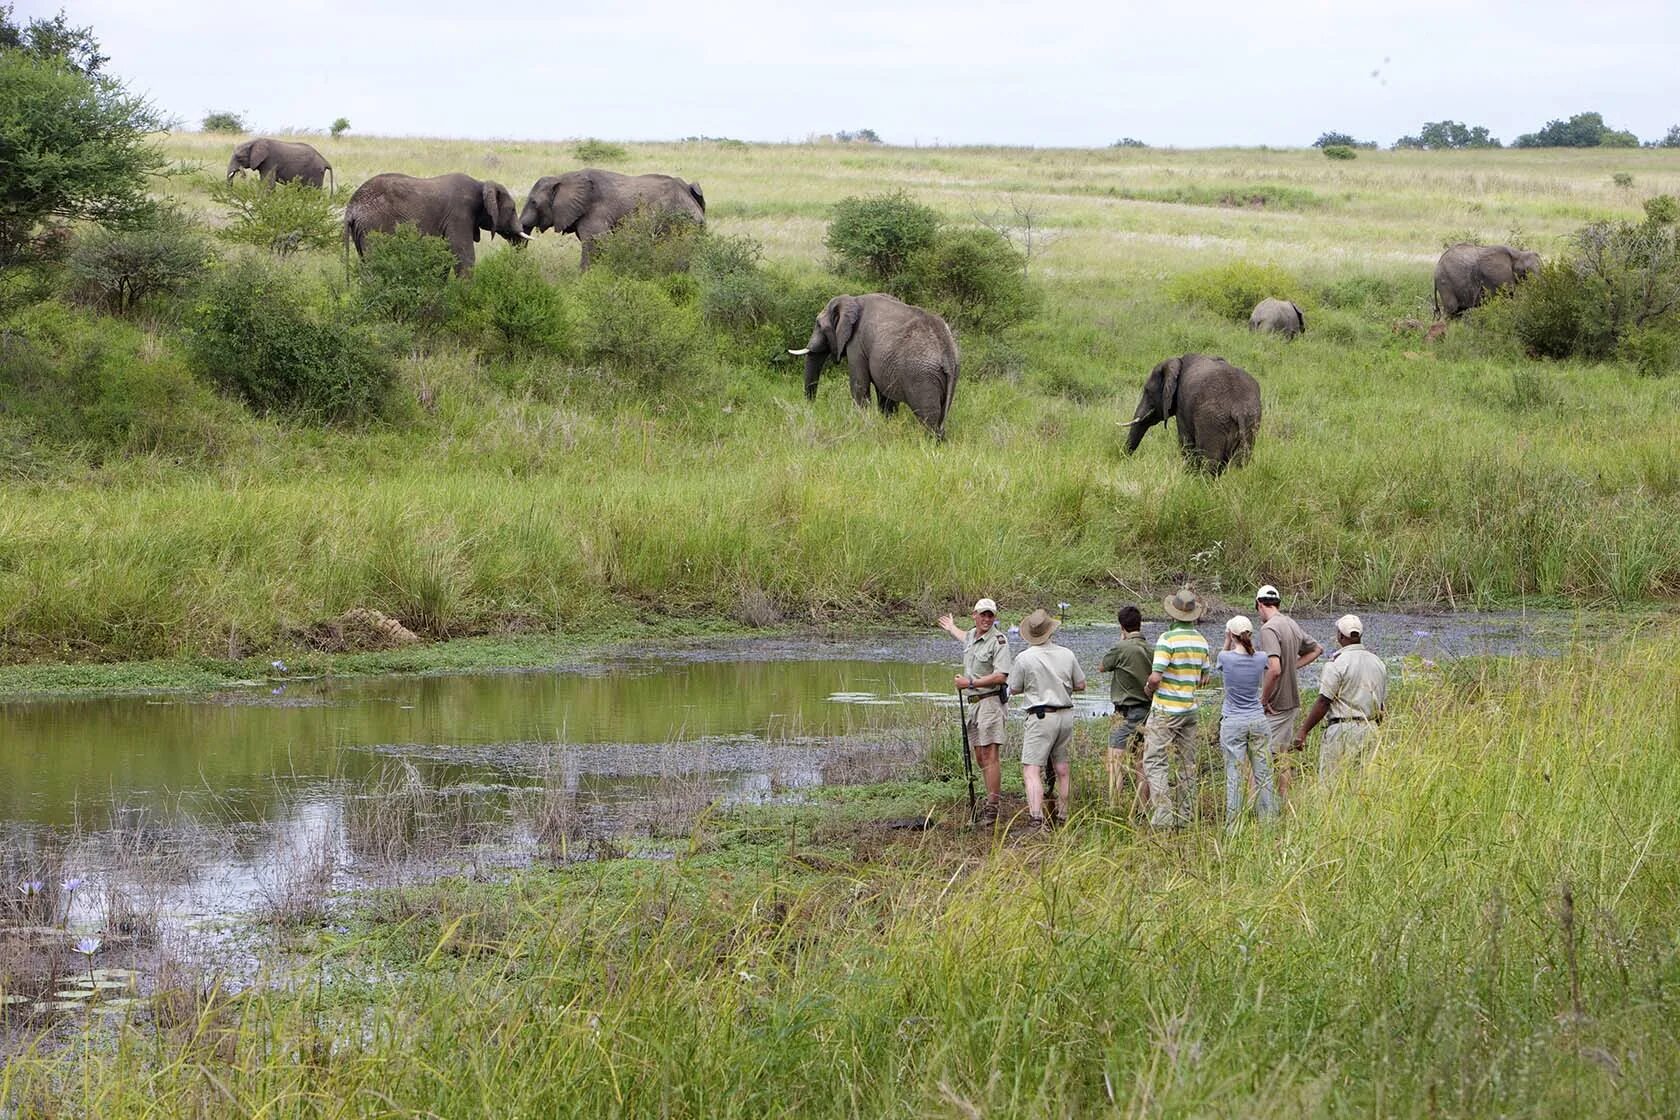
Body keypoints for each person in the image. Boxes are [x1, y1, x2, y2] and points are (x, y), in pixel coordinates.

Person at [1006, 608, 1086, 830]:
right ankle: (1062, 815)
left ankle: (1036, 819)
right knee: (1062, 769)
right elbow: (1080, 684)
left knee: (1031, 770)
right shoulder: (1067, 654)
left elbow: (1013, 688)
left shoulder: (1024, 658)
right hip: (1065, 715)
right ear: (1050, 630)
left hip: (1041, 717)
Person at [938, 597, 1015, 825]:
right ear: (974, 615)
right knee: (980, 756)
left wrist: (969, 683)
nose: (986, 619)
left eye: (990, 615)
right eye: (983, 614)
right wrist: (951, 627)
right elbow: (964, 637)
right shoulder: (972, 635)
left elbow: (1002, 676)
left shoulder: (999, 641)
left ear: (994, 617)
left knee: (990, 754)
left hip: (990, 702)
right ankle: (990, 799)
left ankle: (992, 808)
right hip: (974, 705)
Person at [1141, 587, 1211, 829]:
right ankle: (1185, 817)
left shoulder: (1166, 639)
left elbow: (1155, 677)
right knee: (1187, 765)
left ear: (1173, 614)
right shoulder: (1202, 642)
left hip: (1165, 710)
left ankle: (1163, 816)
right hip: (1189, 710)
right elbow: (1205, 678)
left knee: (1154, 760)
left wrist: (1149, 690)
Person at [1294, 614, 1388, 778]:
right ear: (1360, 635)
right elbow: (1381, 706)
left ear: (1340, 636)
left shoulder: (1337, 663)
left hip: (1342, 730)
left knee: (1333, 783)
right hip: (1370, 728)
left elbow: (1324, 701)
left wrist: (1303, 731)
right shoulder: (1378, 663)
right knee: (1367, 783)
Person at [1255, 584, 1322, 798]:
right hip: (1292, 701)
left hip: (1276, 703)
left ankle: (1262, 804)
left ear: (1259, 604)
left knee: (1261, 755)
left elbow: (1274, 669)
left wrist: (1263, 700)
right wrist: (1293, 665)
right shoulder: (1290, 623)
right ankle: (1285, 800)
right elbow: (1317, 649)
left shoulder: (1269, 629)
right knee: (1283, 755)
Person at [1213, 615, 1277, 822]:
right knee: (1264, 774)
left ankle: (1234, 826)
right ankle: (1268, 822)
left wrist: (1227, 640)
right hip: (1257, 719)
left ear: (1231, 635)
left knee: (1235, 776)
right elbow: (1259, 657)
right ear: (1250, 634)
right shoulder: (1261, 657)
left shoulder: (1225, 657)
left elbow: (1222, 655)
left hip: (1233, 721)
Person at [1098, 604, 1152, 814]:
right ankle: (1143, 810)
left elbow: (1102, 667)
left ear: (1122, 627)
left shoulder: (1121, 648)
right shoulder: (1151, 648)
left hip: (1126, 712)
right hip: (1147, 710)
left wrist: (1121, 643)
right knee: (1141, 762)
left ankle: (1115, 808)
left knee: (1115, 761)